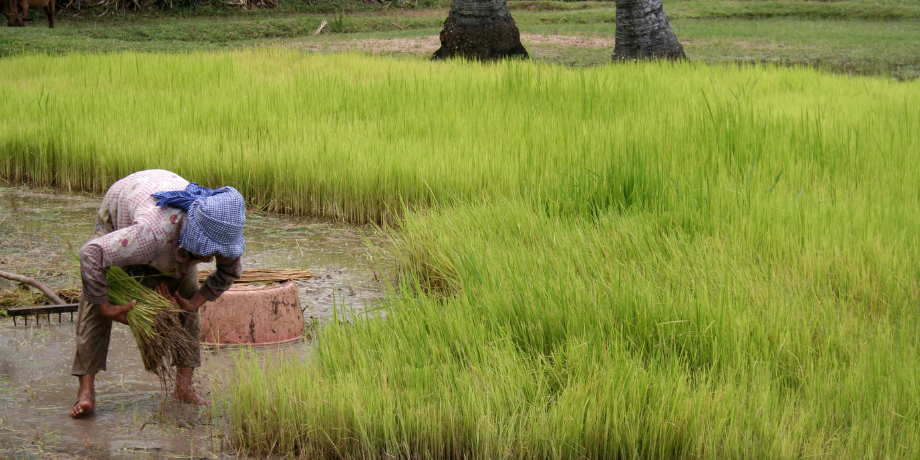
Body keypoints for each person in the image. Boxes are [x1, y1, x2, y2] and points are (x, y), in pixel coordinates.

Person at [69, 169, 245, 418]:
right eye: (204, 250)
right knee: (97, 293)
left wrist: (193, 302)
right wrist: (105, 306)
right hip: (125, 207)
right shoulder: (149, 236)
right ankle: (86, 392)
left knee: (186, 300)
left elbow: (229, 272)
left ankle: (183, 386)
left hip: (169, 239)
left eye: (214, 252)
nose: (209, 257)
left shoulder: (222, 228)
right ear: (191, 234)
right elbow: (91, 254)